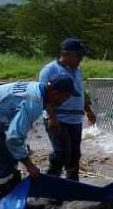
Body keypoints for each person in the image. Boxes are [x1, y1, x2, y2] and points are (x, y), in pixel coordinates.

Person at [0, 76, 78, 209]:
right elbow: (14, 137)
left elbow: (15, 134)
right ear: (55, 92)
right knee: (0, 165)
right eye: (66, 96)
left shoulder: (39, 88)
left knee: (10, 159)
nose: (66, 101)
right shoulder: (33, 102)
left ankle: (17, 205)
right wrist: (29, 165)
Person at [39, 37, 96, 181]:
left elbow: (81, 91)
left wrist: (88, 110)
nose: (81, 59)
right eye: (78, 55)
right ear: (66, 54)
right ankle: (51, 183)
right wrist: (52, 117)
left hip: (75, 119)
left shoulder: (77, 71)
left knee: (74, 155)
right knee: (61, 153)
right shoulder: (50, 70)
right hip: (58, 119)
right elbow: (44, 95)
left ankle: (73, 184)